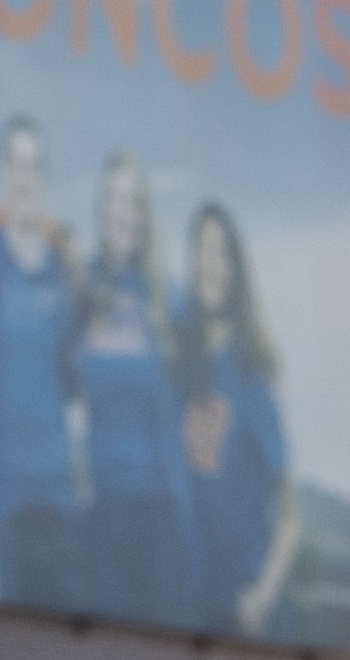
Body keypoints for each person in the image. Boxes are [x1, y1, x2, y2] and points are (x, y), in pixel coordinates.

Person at [65, 149, 190, 625]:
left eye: (133, 202)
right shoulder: (85, 288)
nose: (122, 213)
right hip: (101, 512)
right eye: (113, 200)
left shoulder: (168, 298)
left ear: (145, 215)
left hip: (159, 518)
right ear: (102, 208)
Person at [0, 114, 82, 608]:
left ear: (43, 179)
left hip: (58, 493)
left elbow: (77, 377)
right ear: (1, 173)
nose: (23, 176)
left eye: (33, 165)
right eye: (14, 164)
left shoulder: (64, 268)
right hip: (4, 494)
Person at [175, 200, 292, 629]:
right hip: (182, 602)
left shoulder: (253, 373)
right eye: (203, 250)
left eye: (222, 252)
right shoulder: (181, 360)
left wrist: (262, 596)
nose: (212, 264)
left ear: (236, 266)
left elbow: (290, 514)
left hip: (238, 610)